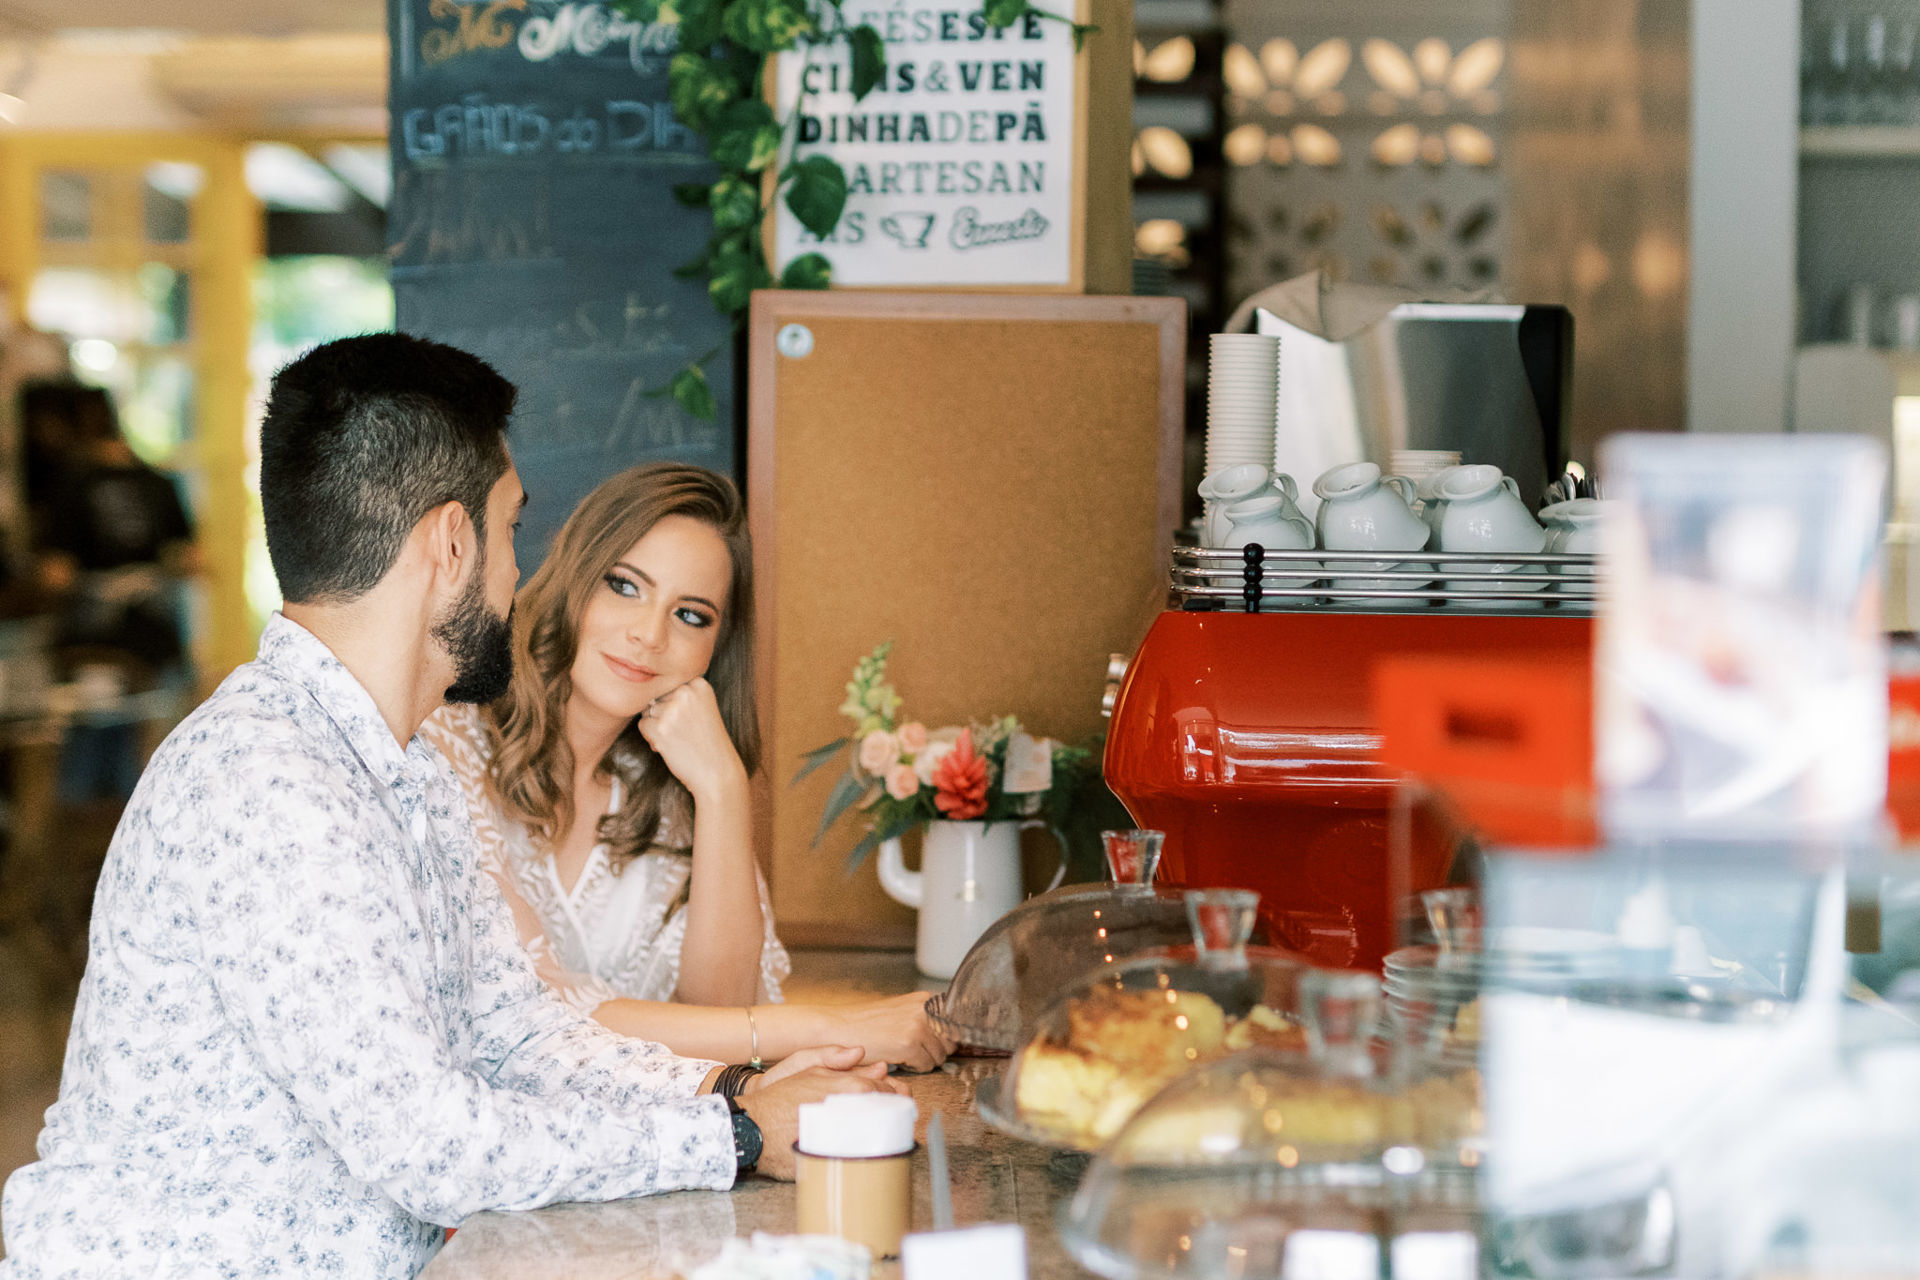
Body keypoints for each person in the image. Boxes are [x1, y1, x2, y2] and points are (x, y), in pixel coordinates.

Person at [0, 334, 897, 1278]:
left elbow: (513, 1031)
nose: (518, 575)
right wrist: (735, 1136)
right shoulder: (270, 782)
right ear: (452, 543)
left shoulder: (406, 766)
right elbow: (430, 1148)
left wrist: (736, 1088)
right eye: (511, 530)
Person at [423, 464, 953, 1070]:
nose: (650, 634)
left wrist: (723, 791)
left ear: (715, 649)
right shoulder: (444, 743)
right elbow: (527, 1013)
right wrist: (828, 1027)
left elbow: (725, 1011)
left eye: (691, 615)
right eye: (625, 586)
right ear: (574, 578)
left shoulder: (676, 793)